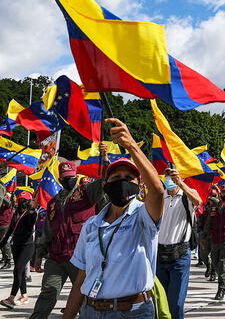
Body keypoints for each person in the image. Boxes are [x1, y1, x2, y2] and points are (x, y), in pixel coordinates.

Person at [62, 118, 164, 318]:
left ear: (139, 185)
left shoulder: (143, 217)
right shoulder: (92, 225)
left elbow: (158, 192)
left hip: (132, 312)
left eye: (129, 178)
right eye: (116, 178)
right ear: (106, 185)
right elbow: (83, 276)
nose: (122, 182)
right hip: (91, 311)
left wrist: (131, 145)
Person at [30, 158, 108, 319]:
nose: (69, 180)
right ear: (60, 180)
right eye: (65, 178)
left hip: (81, 259)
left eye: (71, 176)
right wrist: (39, 256)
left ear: (76, 175)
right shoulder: (53, 203)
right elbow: (47, 233)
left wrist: (105, 160)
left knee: (83, 297)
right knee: (48, 292)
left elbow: (105, 181)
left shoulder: (87, 193)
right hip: (57, 257)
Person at [156, 167, 202, 319]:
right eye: (166, 175)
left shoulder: (186, 196)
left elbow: (198, 200)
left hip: (179, 256)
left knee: (175, 304)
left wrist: (181, 183)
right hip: (160, 256)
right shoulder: (160, 197)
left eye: (172, 175)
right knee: (160, 303)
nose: (169, 179)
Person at [0, 190, 38, 309]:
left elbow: (31, 225)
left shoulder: (31, 213)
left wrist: (32, 210)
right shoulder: (16, 213)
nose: (22, 202)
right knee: (20, 271)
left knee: (17, 270)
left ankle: (11, 298)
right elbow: (10, 230)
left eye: (24, 200)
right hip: (16, 245)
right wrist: (1, 244)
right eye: (20, 200)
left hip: (27, 246)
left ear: (29, 202)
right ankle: (24, 295)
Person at [198, 187, 217, 281]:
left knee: (214, 255)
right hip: (204, 235)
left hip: (215, 236)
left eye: (214, 196)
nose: (211, 199)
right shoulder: (204, 207)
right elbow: (199, 220)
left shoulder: (219, 207)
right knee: (203, 255)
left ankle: (213, 272)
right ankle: (208, 267)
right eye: (211, 196)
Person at [0, 190, 14, 270]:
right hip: (1, 222)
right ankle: (5, 258)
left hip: (5, 223)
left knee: (4, 241)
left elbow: (9, 204)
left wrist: (2, 196)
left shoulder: (6, 198)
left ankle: (8, 260)